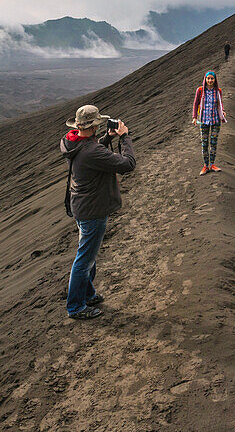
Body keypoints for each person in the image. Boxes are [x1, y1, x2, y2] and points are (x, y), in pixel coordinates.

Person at [60, 105, 136, 320]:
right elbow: (128, 164)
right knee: (84, 259)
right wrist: (124, 138)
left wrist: (106, 137)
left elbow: (90, 152)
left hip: (81, 205)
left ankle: (87, 294)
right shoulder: (91, 150)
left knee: (88, 256)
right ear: (93, 126)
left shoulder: (71, 142)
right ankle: (75, 307)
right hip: (92, 210)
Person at [191, 71, 227, 175]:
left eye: (212, 78)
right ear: (205, 79)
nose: (210, 80)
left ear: (215, 80)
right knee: (204, 143)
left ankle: (212, 164)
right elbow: (195, 103)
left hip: (216, 120)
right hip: (203, 121)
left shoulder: (218, 91)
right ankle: (205, 166)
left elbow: (220, 103)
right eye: (208, 78)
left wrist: (223, 111)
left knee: (214, 143)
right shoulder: (200, 90)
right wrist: (194, 117)